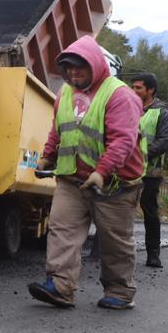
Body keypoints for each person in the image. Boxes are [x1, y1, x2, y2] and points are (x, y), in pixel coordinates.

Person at [28, 35, 144, 310]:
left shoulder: (119, 95)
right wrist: (47, 156)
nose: (73, 72)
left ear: (95, 64)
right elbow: (58, 128)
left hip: (114, 184)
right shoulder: (65, 94)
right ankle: (60, 286)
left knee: (114, 241)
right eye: (68, 67)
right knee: (62, 230)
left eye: (79, 67)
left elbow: (123, 140)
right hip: (72, 179)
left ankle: (120, 291)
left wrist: (101, 172)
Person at [131, 72, 168, 268]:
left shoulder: (163, 113)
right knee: (116, 208)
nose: (134, 91)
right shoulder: (128, 107)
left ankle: (153, 254)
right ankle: (102, 251)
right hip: (125, 169)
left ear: (151, 90)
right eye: (133, 87)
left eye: (138, 88)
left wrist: (140, 154)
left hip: (150, 172)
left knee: (150, 211)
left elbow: (164, 142)